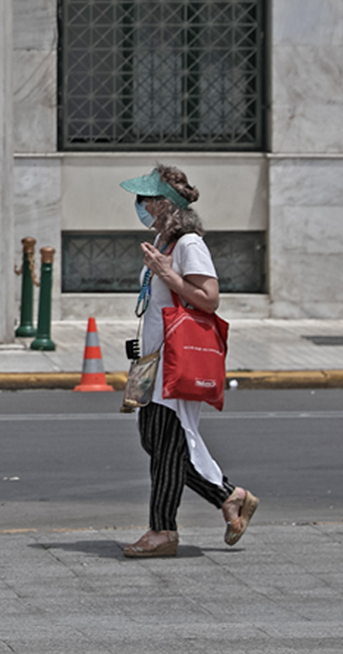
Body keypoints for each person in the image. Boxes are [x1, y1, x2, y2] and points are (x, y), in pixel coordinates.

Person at [118, 164, 259, 558]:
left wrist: (167, 274)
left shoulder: (187, 244)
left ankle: (162, 531)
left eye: (145, 199)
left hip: (175, 363)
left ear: (165, 204)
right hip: (154, 362)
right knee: (156, 441)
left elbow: (209, 298)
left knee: (165, 446)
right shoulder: (165, 242)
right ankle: (229, 496)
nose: (139, 205)